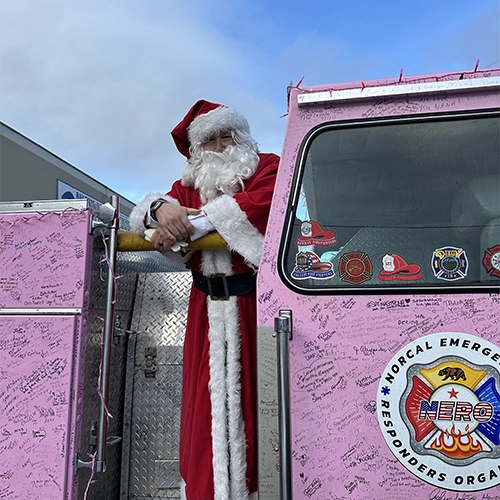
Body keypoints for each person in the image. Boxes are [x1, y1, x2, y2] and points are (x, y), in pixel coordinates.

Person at [130, 100, 280, 500]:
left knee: (262, 405)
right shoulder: (189, 186)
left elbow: (263, 207)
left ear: (240, 137)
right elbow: (142, 213)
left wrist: (184, 224)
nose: (219, 145)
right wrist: (161, 210)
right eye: (209, 139)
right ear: (197, 149)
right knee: (205, 409)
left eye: (225, 135)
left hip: (256, 309)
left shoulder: (267, 167)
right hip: (206, 314)